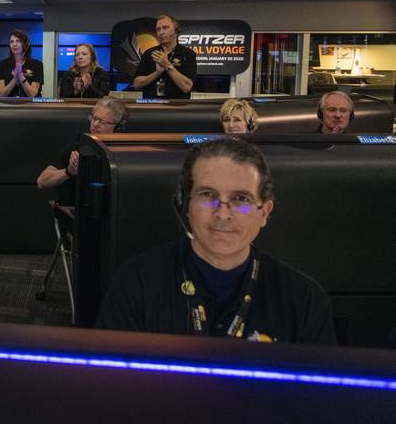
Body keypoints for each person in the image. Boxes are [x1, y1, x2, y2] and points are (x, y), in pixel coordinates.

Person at [97, 137, 336, 344]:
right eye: (207, 195)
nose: (222, 214)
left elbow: (317, 396)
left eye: (241, 198)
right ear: (185, 205)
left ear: (264, 212)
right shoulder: (135, 284)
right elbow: (111, 387)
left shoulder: (304, 299)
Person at [36, 97, 128, 205]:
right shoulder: (78, 146)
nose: (95, 125)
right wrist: (68, 171)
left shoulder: (124, 151)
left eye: (102, 122)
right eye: (94, 118)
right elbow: (42, 181)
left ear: (117, 127)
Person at [132, 15, 196, 99]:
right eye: (158, 29)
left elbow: (186, 87)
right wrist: (156, 74)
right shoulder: (149, 53)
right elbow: (136, 84)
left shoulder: (187, 54)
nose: (161, 32)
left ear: (176, 30)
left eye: (165, 28)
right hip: (151, 106)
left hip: (178, 108)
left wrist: (167, 65)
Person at [0, 29, 43, 98]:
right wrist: (14, 79)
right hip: (9, 106)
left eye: (18, 41)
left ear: (25, 44)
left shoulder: (37, 65)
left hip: (31, 107)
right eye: (11, 42)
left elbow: (32, 94)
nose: (14, 44)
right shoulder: (2, 64)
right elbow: (2, 94)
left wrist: (21, 77)